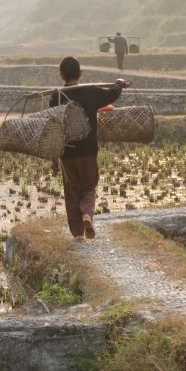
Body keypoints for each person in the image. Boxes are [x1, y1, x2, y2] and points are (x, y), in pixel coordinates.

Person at [50, 56, 129, 242]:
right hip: (88, 150)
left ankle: (78, 234)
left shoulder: (57, 97)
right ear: (80, 73)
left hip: (66, 153)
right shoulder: (91, 92)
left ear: (61, 74)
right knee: (89, 185)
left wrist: (53, 160)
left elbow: (53, 129)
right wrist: (119, 84)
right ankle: (87, 214)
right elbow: (112, 95)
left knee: (71, 191)